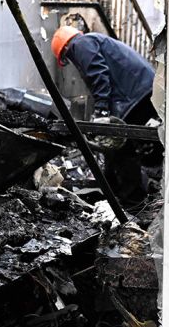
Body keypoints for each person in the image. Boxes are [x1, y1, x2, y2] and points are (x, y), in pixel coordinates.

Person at [51, 25, 161, 204]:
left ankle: (131, 198)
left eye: (66, 58)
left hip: (133, 95)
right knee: (118, 146)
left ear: (65, 50)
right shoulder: (92, 40)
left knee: (121, 147)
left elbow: (98, 74)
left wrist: (101, 110)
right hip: (141, 90)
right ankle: (114, 188)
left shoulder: (80, 44)